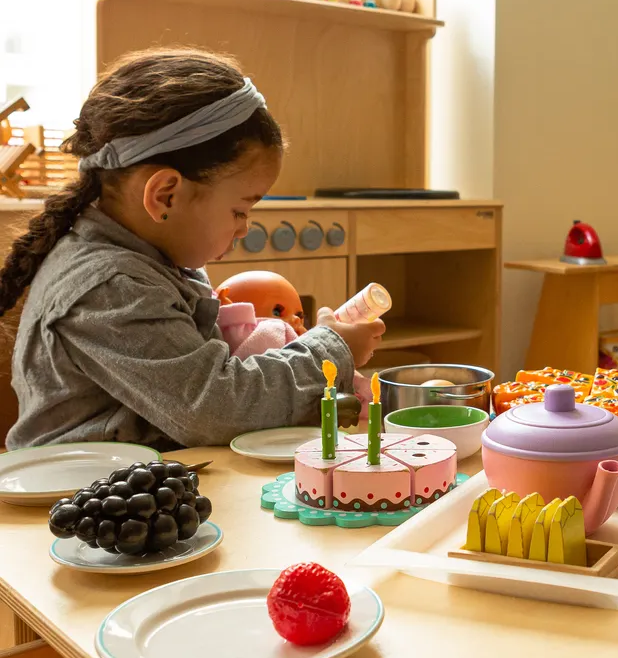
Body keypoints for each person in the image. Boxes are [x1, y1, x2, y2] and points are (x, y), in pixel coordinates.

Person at [0, 48, 384, 450]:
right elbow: (218, 408)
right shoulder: (111, 288)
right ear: (165, 195)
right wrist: (329, 351)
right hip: (79, 498)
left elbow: (207, 382)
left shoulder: (153, 259)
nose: (244, 229)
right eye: (239, 210)